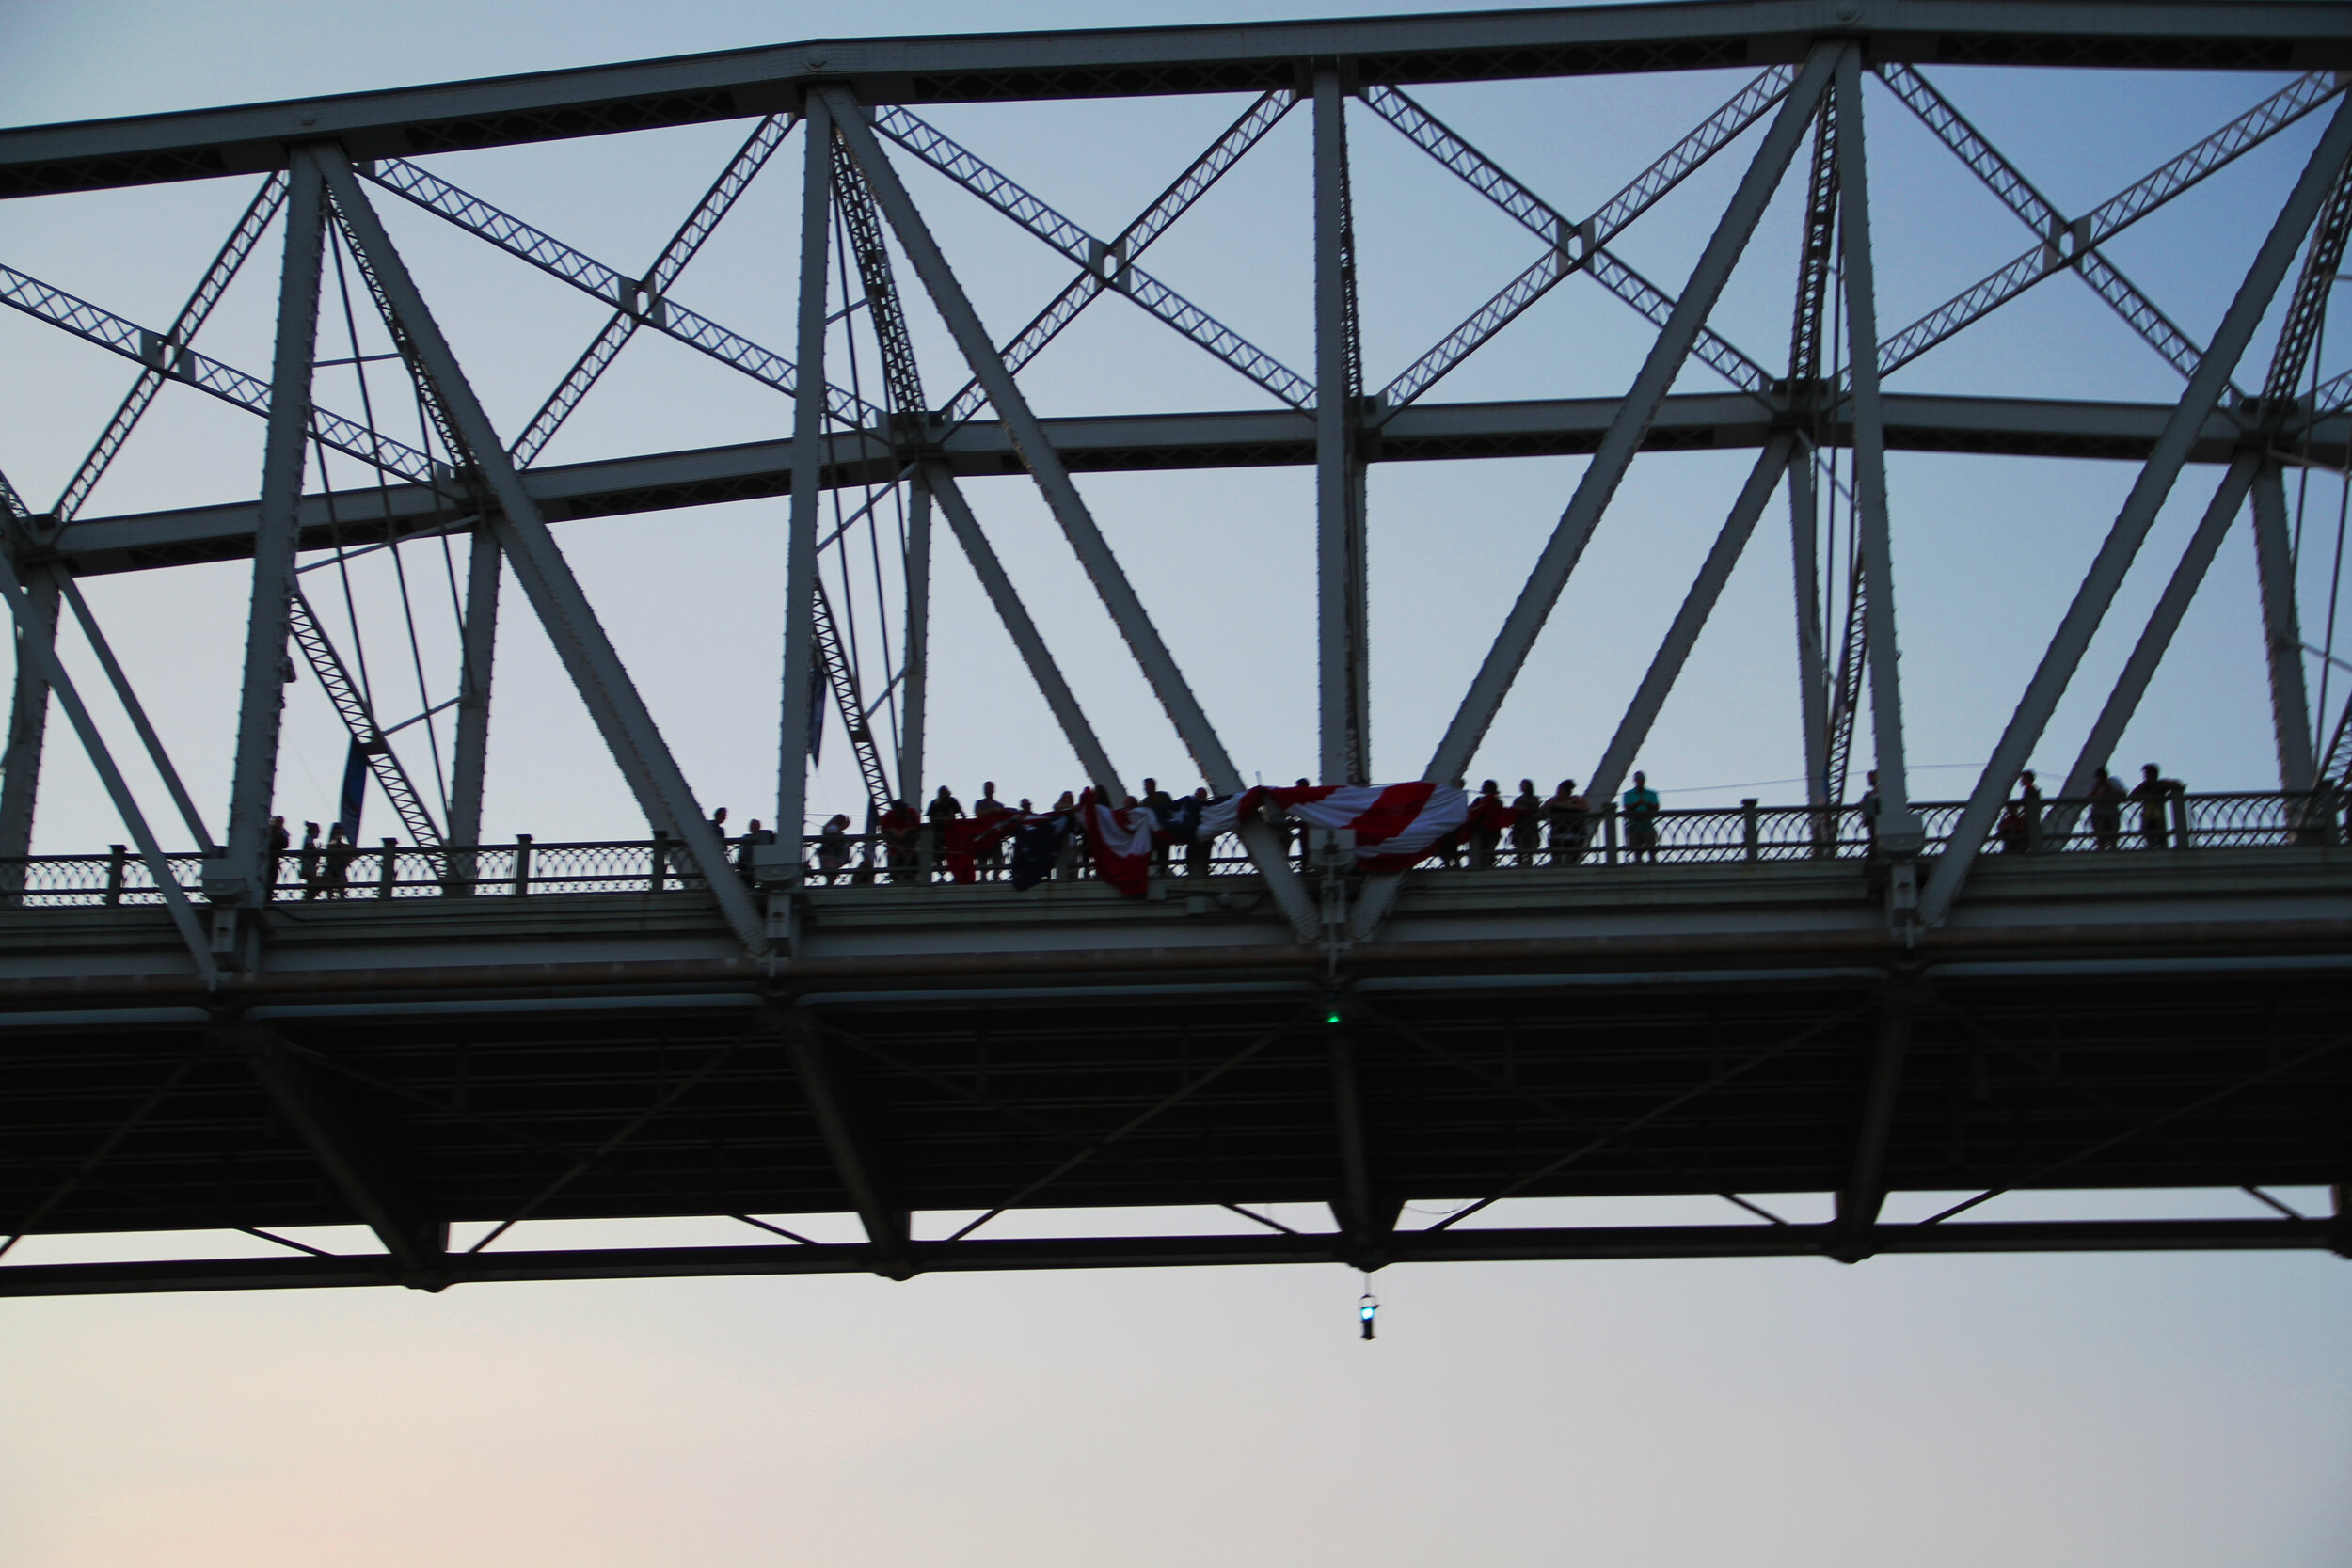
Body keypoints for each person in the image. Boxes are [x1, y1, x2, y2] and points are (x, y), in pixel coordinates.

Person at [2130, 763, 2183, 849]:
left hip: (2157, 812)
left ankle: (2160, 846)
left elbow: (2176, 785)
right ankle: (2151, 846)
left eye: (2147, 773)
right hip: (2147, 813)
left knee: (2158, 830)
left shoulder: (2160, 784)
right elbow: (2132, 796)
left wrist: (2163, 789)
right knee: (2148, 831)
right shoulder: (2144, 786)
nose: (2145, 775)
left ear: (2153, 774)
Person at [1544, 779, 1589, 865]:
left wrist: (1566, 805)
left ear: (1566, 791)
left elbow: (1586, 808)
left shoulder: (1576, 799)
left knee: (1572, 857)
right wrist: (1551, 805)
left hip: (1575, 833)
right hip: (1557, 834)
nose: (1558, 792)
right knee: (1557, 855)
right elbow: (1543, 809)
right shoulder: (1553, 800)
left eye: (1560, 790)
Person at [879, 798, 921, 882]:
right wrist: (891, 829)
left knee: (911, 875)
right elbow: (883, 829)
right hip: (895, 852)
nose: (903, 812)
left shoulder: (911, 812)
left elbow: (918, 827)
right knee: (896, 876)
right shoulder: (889, 815)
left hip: (910, 851)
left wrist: (906, 830)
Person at [1622, 770, 1661, 863]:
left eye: (1641, 779)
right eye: (1638, 779)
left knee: (1650, 844)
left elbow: (1656, 807)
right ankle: (1638, 861)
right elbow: (1627, 807)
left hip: (1647, 822)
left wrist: (1646, 803)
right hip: (1634, 823)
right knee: (1636, 846)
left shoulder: (1652, 793)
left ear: (1644, 780)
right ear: (1635, 781)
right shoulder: (1628, 794)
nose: (1640, 781)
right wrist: (1638, 804)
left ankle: (1652, 861)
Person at [973, 782, 1009, 879]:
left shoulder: (999, 805)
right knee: (982, 860)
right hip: (983, 836)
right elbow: (979, 814)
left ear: (993, 790)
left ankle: (996, 876)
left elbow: (1003, 818)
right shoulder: (979, 803)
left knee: (997, 859)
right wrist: (992, 811)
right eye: (985, 789)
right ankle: (983, 877)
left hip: (995, 837)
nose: (986, 791)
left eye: (988, 789)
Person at [1469, 780, 1507, 869]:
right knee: (1487, 851)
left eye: (1484, 785)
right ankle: (1488, 864)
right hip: (1491, 832)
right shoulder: (1498, 802)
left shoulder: (1482, 801)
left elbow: (1473, 811)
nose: (1482, 787)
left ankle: (1484, 865)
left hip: (1484, 832)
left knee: (1484, 852)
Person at [1140, 777, 1175, 873]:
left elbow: (1171, 810)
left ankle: (1162, 870)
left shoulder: (1164, 797)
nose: (1145, 789)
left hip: (1164, 828)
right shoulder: (1145, 802)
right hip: (1153, 831)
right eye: (1145, 787)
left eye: (1147, 786)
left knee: (1163, 852)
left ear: (1153, 786)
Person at [2087, 768, 2127, 850]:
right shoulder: (2093, 784)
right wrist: (2096, 788)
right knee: (2099, 831)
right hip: (2098, 811)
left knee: (2112, 830)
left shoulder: (2113, 782)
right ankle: (2101, 847)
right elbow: (2088, 799)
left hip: (2111, 811)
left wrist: (2109, 787)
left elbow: (2123, 795)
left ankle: (2113, 846)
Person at [319, 822, 357, 899]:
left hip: (341, 873)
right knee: (329, 895)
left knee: (341, 894)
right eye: (336, 832)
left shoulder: (347, 847)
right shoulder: (329, 846)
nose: (338, 834)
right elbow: (329, 859)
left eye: (339, 832)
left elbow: (349, 859)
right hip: (330, 873)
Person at [1509, 779, 1542, 867]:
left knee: (1529, 850)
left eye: (1523, 785)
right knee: (1519, 849)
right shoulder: (1518, 799)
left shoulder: (1534, 799)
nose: (1521, 787)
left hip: (1530, 828)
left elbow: (1535, 810)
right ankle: (1520, 864)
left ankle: (1528, 865)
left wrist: (1523, 809)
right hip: (1519, 828)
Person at [1186, 786, 1215, 878]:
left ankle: (1197, 871)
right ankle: (1202, 870)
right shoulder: (1209, 805)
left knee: (1195, 854)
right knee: (1200, 855)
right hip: (1203, 835)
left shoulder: (1196, 806)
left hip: (1200, 835)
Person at [265, 816, 290, 901]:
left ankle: (269, 895)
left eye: (281, 822)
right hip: (267, 859)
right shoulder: (269, 831)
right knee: (267, 877)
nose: (279, 824)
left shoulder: (281, 832)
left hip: (274, 859)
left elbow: (285, 844)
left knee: (273, 878)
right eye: (278, 822)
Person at [1857, 770, 1882, 853]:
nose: (1869, 780)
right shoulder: (1870, 793)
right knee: (1873, 834)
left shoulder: (1880, 790)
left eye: (1871, 777)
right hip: (1872, 819)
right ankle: (1873, 848)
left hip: (1877, 817)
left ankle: (1874, 848)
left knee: (1875, 834)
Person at [297, 821, 323, 899]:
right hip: (308, 865)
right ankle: (308, 897)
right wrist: (317, 851)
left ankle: (309, 896)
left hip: (310, 865)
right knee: (312, 883)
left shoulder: (309, 838)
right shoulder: (308, 838)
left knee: (312, 883)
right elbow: (310, 848)